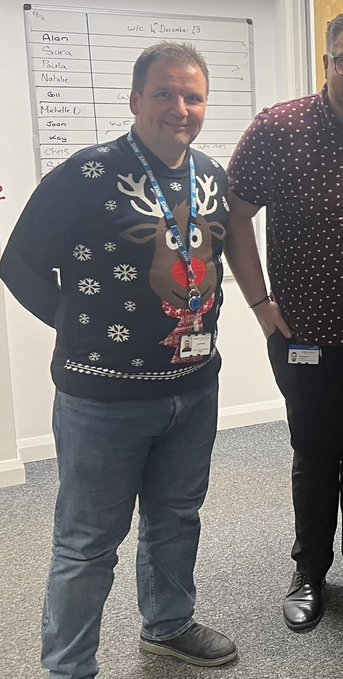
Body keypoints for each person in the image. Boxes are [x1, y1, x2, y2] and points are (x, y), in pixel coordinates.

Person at [1, 42, 237, 677]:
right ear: (135, 100)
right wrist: (72, 326)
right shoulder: (87, 173)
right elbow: (18, 261)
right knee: (87, 544)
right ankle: (68, 667)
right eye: (163, 93)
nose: (178, 108)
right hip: (101, 399)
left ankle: (167, 625)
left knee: (176, 517)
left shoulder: (211, 175)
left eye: (192, 96)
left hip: (194, 386)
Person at [223, 9, 343, 631]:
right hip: (302, 330)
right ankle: (309, 568)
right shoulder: (278, 128)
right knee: (315, 450)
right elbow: (233, 216)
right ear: (327, 61)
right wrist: (260, 305)